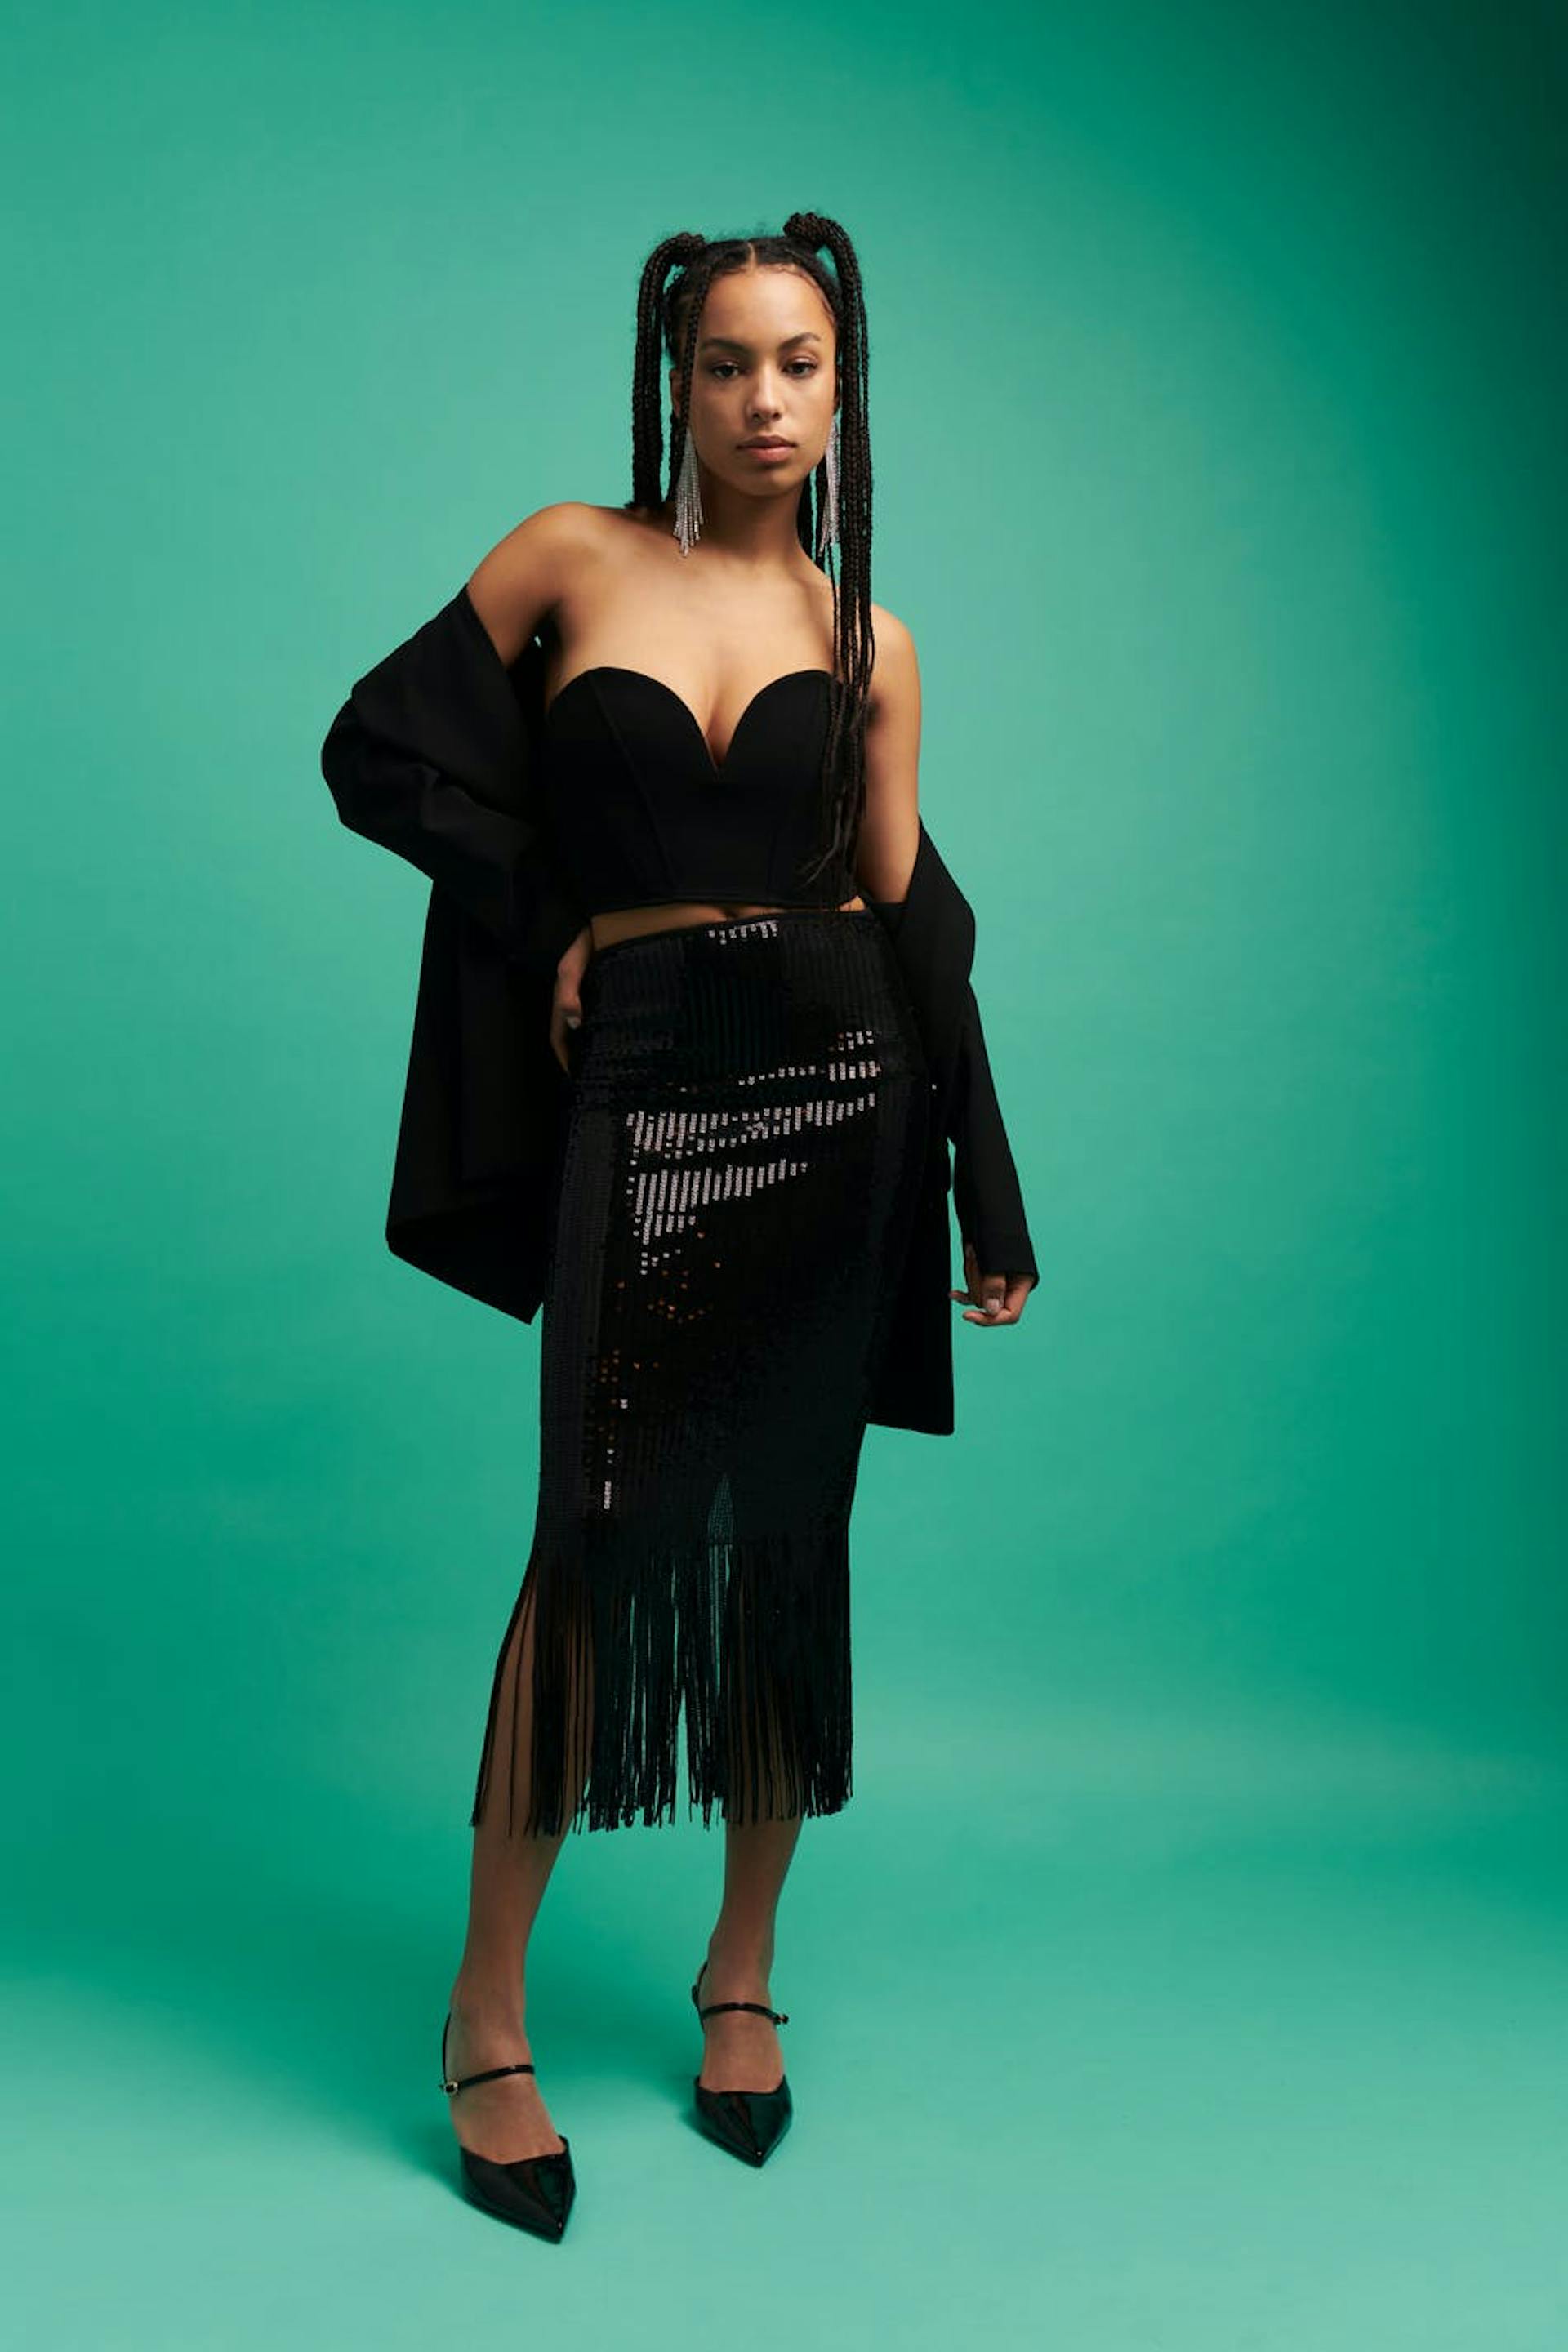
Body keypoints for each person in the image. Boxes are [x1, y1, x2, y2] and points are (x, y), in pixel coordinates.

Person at [320, 214, 1038, 2239]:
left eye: (800, 363)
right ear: (678, 379)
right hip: (645, 1084)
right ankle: (485, 2010)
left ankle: (741, 1971)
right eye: (729, 362)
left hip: (839, 1099)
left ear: (843, 388)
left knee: (783, 1546)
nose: (764, 400)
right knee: (599, 1540)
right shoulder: (570, 555)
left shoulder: (871, 638)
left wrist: (987, 1175)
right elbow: (377, 750)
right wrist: (552, 917)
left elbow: (913, 917)